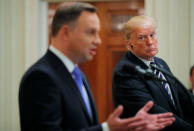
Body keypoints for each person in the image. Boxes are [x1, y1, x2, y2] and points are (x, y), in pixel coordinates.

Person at [19, 3, 175, 131]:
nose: (98, 41)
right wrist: (106, 128)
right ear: (65, 33)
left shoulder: (78, 74)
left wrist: (128, 128)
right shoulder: (40, 77)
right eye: (91, 33)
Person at [112, 15, 194, 131]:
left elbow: (182, 98)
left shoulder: (160, 63)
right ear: (130, 44)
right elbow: (154, 113)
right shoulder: (125, 72)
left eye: (152, 35)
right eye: (141, 38)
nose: (150, 42)